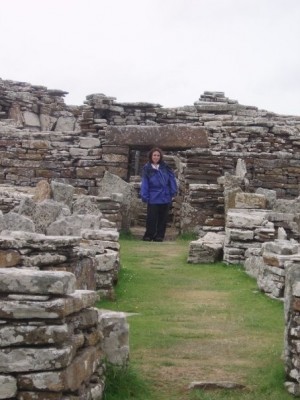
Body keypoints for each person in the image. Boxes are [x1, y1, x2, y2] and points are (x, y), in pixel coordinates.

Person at [140, 147, 177, 242]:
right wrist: (144, 195)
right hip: (153, 196)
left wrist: (173, 191)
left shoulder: (165, 167)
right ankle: (149, 235)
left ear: (160, 157)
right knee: (151, 217)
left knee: (163, 218)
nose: (156, 157)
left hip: (165, 196)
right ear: (151, 156)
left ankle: (159, 236)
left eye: (158, 155)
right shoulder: (147, 168)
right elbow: (145, 183)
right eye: (154, 155)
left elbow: (171, 179)